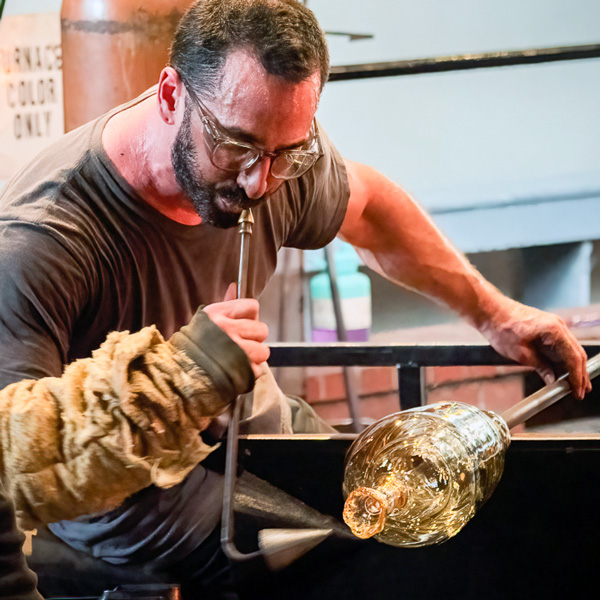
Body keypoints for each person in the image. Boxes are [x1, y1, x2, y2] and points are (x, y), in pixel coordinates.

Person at [0, 0, 591, 597]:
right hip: (135, 490)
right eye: (240, 148)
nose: (262, 181)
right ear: (172, 95)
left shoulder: (273, 147)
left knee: (414, 521)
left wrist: (498, 315)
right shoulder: (43, 241)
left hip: (251, 429)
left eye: (287, 153)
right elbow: (16, 466)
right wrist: (183, 375)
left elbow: (370, 209)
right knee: (343, 568)